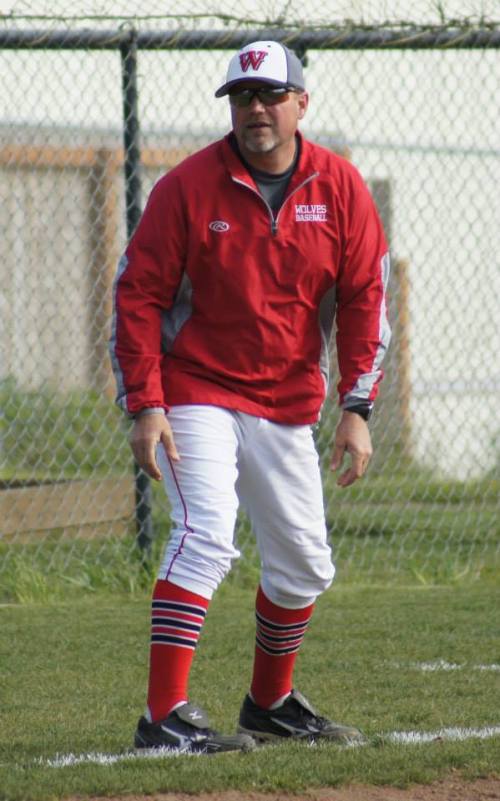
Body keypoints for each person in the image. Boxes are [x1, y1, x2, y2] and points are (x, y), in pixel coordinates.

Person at [110, 40, 391, 754]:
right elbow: (137, 293)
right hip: (195, 389)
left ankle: (269, 703)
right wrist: (146, 402)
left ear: (302, 103)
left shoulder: (342, 188)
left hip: (287, 402)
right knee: (205, 532)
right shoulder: (188, 186)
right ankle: (162, 716)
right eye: (242, 97)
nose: (256, 109)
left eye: (270, 95)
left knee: (303, 563)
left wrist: (357, 409)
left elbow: (365, 298)